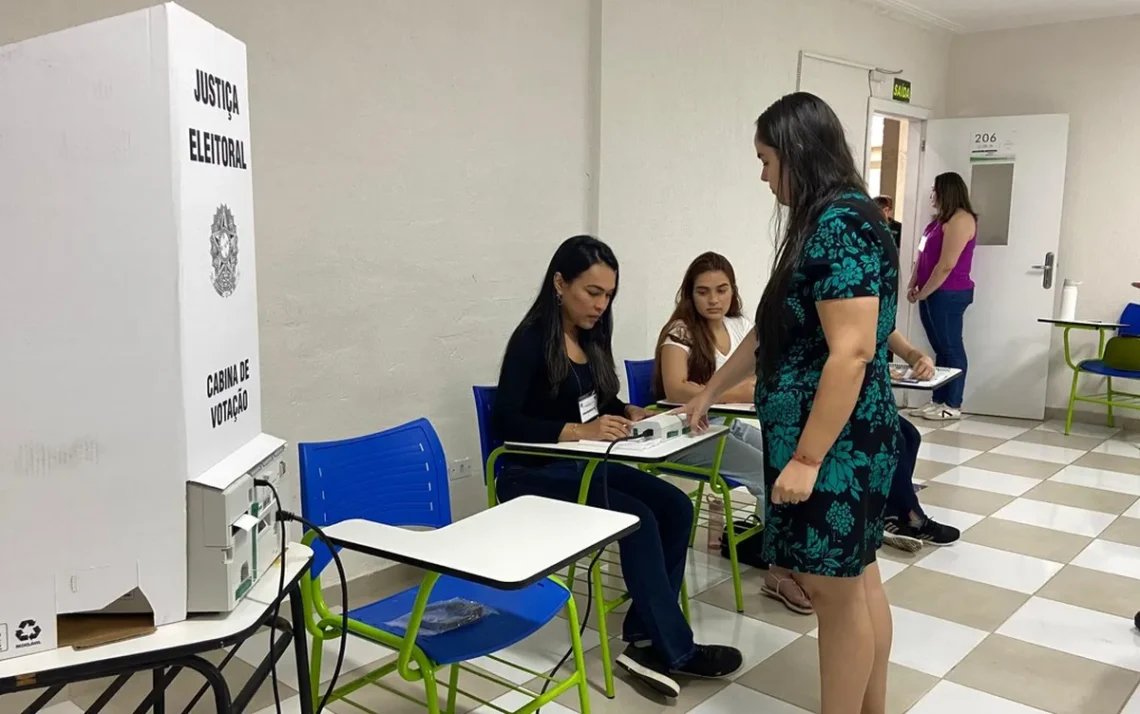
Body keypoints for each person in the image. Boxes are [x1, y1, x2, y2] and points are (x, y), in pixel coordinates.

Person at [681, 92, 898, 714]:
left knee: (835, 595)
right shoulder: (827, 222)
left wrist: (806, 458)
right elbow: (774, 328)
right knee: (857, 585)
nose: (763, 173)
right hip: (835, 438)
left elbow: (851, 352)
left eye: (767, 159)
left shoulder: (842, 225)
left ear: (798, 153)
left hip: (836, 445)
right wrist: (713, 390)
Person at [491, 235, 743, 699]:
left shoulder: (591, 336)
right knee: (639, 519)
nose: (601, 305)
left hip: (581, 465)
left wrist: (627, 411)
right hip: (530, 473)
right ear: (560, 284)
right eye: (592, 292)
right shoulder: (531, 341)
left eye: (608, 295)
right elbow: (505, 419)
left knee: (674, 506)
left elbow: (599, 398)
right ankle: (675, 649)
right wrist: (576, 431)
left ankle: (645, 635)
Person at [653, 251, 812, 615]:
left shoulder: (739, 326)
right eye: (703, 291)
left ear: (733, 291)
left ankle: (787, 550)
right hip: (689, 431)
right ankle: (779, 571)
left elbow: (761, 374)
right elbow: (676, 389)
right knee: (764, 473)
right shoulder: (680, 331)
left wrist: (729, 389)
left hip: (726, 423)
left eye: (721, 290)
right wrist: (737, 390)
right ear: (689, 295)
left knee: (784, 460)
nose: (713, 300)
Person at [908, 172, 977, 422]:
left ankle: (952, 404)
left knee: (952, 348)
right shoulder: (936, 222)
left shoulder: (962, 220)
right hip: (931, 292)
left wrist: (924, 291)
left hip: (949, 293)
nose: (931, 196)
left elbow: (946, 265)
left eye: (935, 190)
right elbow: (922, 255)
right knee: (941, 349)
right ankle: (937, 400)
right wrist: (913, 283)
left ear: (946, 191)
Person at [884, 331, 961, 551]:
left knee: (909, 436)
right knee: (893, 440)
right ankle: (911, 517)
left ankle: (891, 512)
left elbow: (891, 335)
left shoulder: (875, 302)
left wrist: (919, 358)